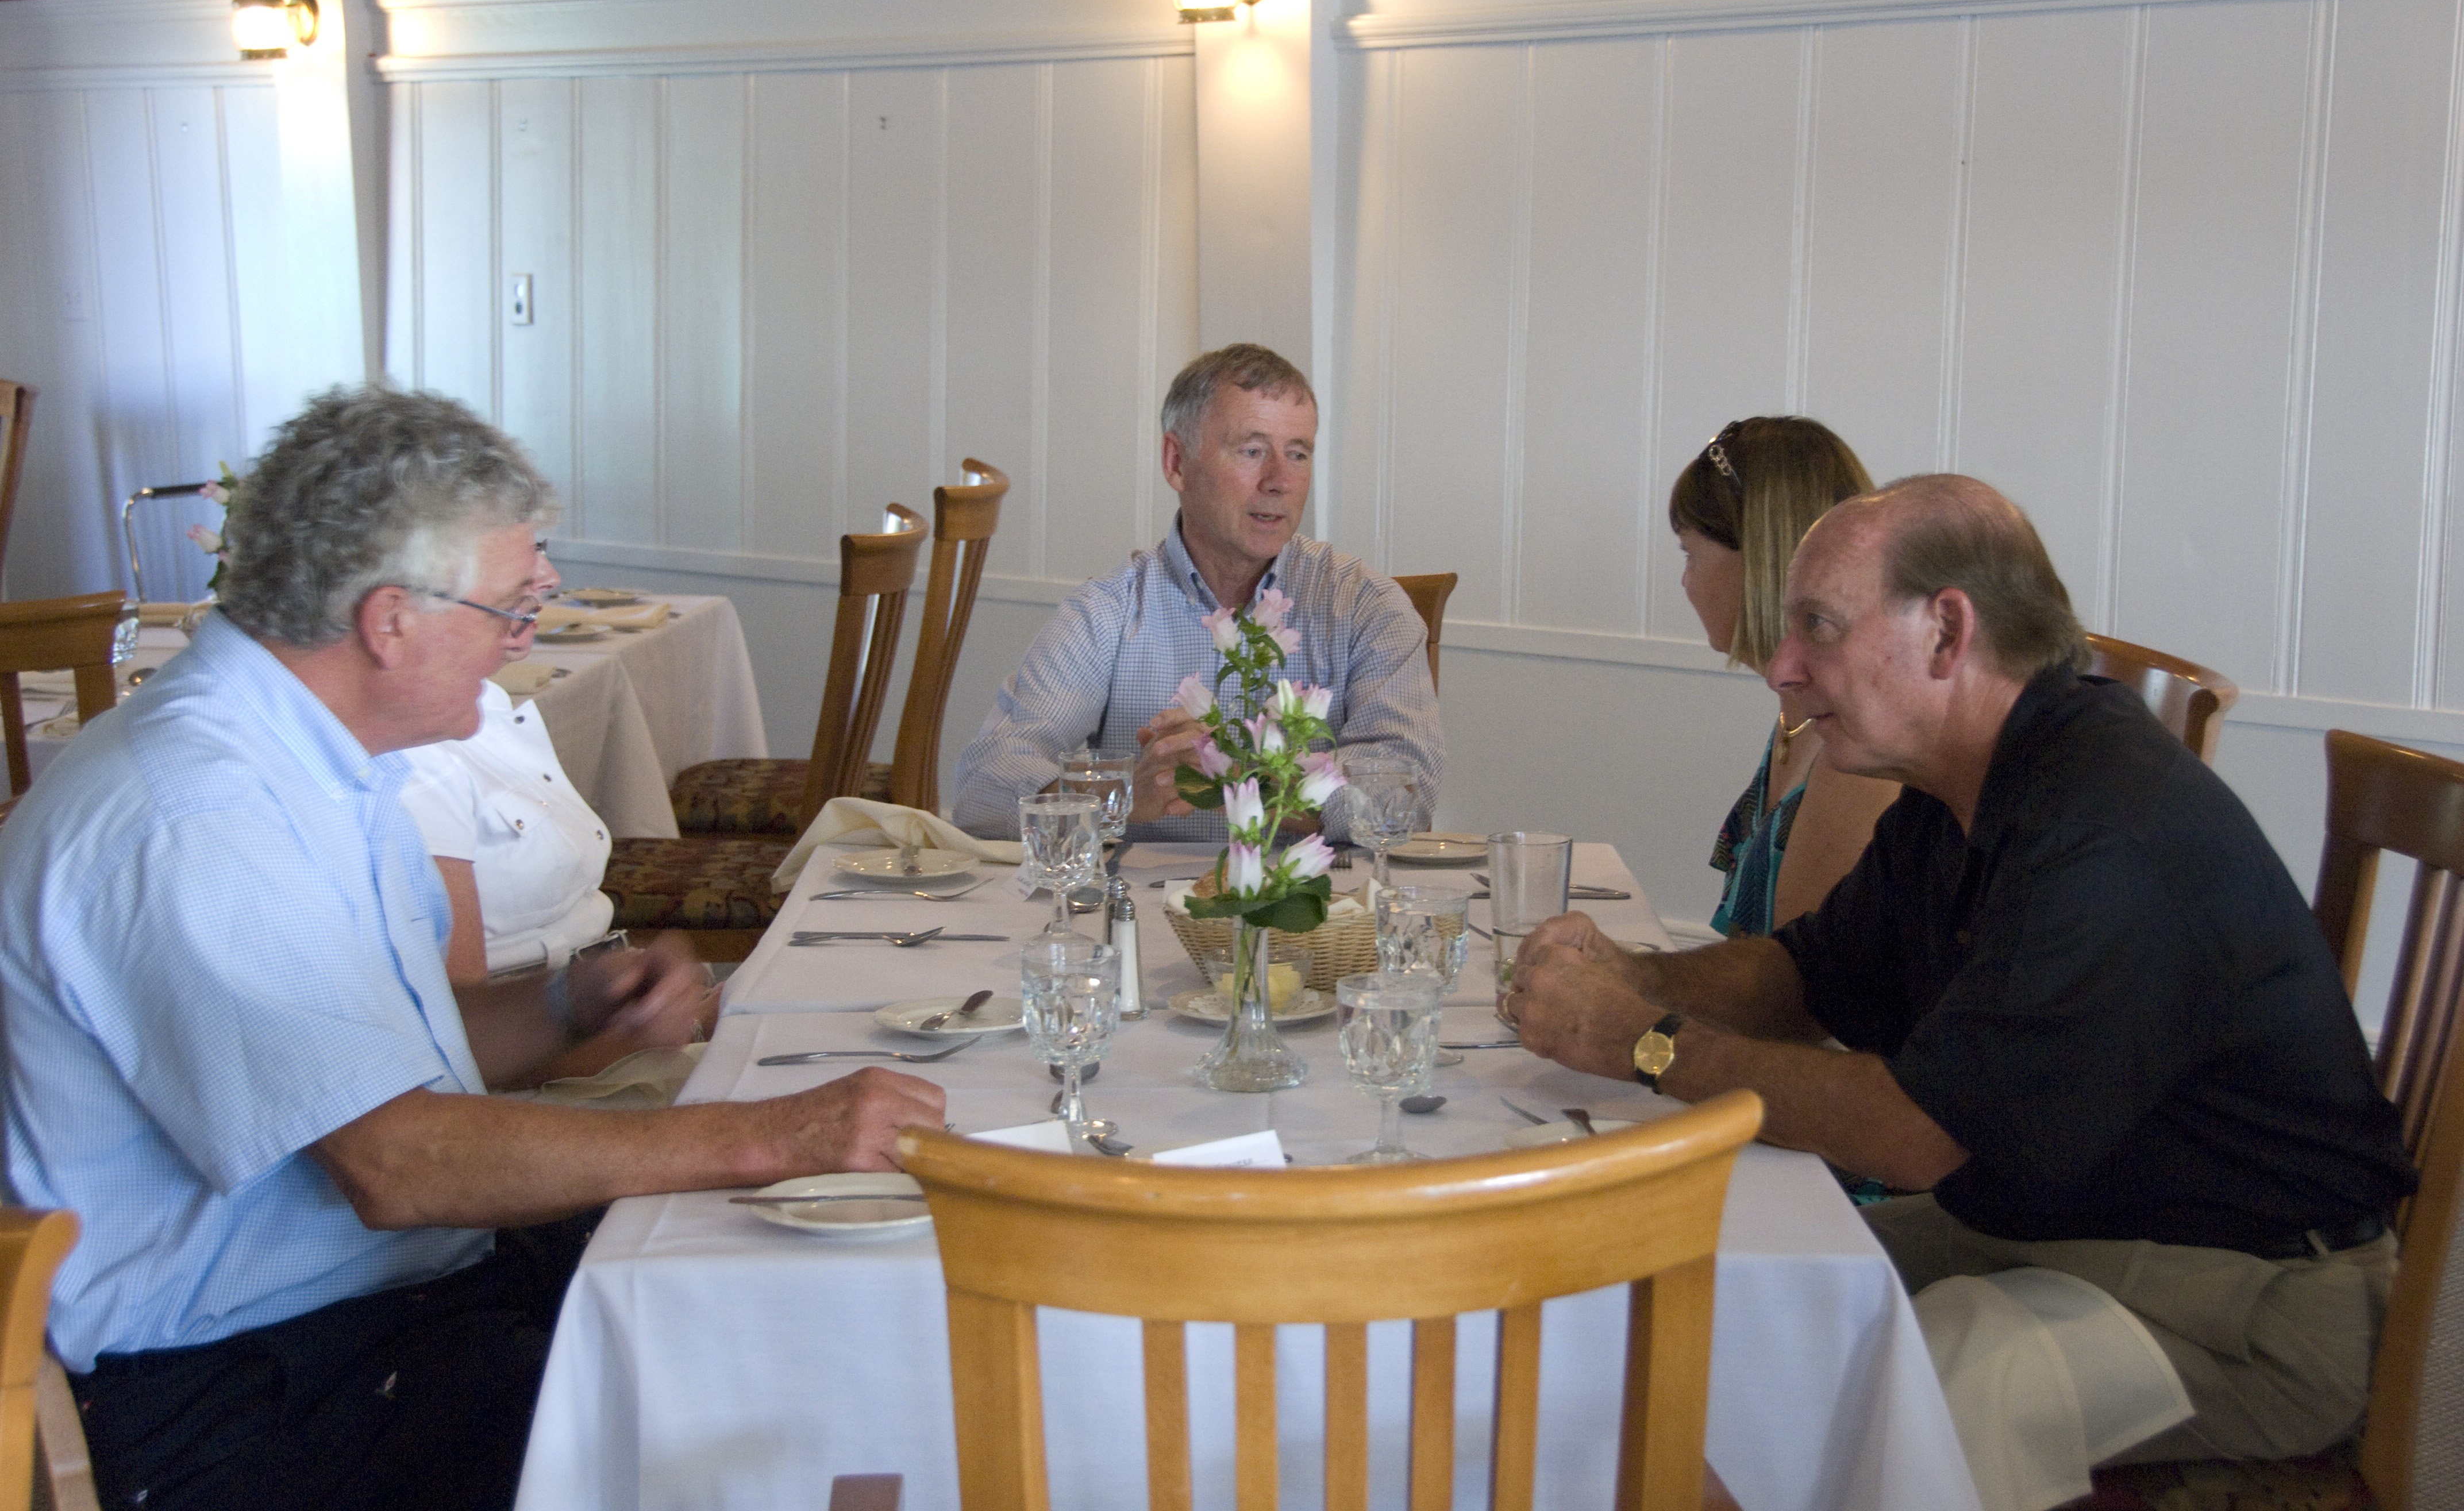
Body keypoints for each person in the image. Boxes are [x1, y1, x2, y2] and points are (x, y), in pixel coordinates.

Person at [0, 386, 945, 1511]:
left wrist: (564, 1008)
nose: (523, 637)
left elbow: (388, 1059)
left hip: (391, 1307)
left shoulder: (319, 768)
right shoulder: (198, 814)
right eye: (512, 605)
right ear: (390, 619)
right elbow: (394, 1162)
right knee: (792, 1420)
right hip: (244, 1390)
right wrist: (767, 1134)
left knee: (824, 1319)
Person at [1509, 475, 2413, 1511]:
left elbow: (1914, 1135)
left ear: (1946, 631)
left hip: (2249, 1302)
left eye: (1817, 626)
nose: (1783, 664)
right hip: (2066, 1232)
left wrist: (1647, 1040)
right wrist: (1634, 977)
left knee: (1908, 1383)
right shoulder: (1963, 783)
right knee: (1701, 1284)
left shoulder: (2104, 827)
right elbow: (1807, 974)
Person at [948, 343, 1442, 843]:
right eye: (1252, 451)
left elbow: (1407, 795)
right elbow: (984, 787)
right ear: (1177, 461)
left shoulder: (1365, 606)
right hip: (1146, 895)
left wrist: (1244, 778)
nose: (1280, 481)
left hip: (1314, 893)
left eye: (1298, 454)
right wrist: (1120, 796)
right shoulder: (1110, 611)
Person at [396, 539, 710, 1082]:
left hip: (604, 1032)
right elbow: (452, 1063)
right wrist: (700, 1026)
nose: (549, 575)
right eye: (522, 549)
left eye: (542, 545)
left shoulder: (484, 703)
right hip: (565, 1077)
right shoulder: (414, 755)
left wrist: (640, 997)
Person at [1669, 416, 1900, 936]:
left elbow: (1795, 976)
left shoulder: (1856, 757)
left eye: (1690, 554)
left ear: (1759, 563)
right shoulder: (1797, 718)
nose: (1684, 581)